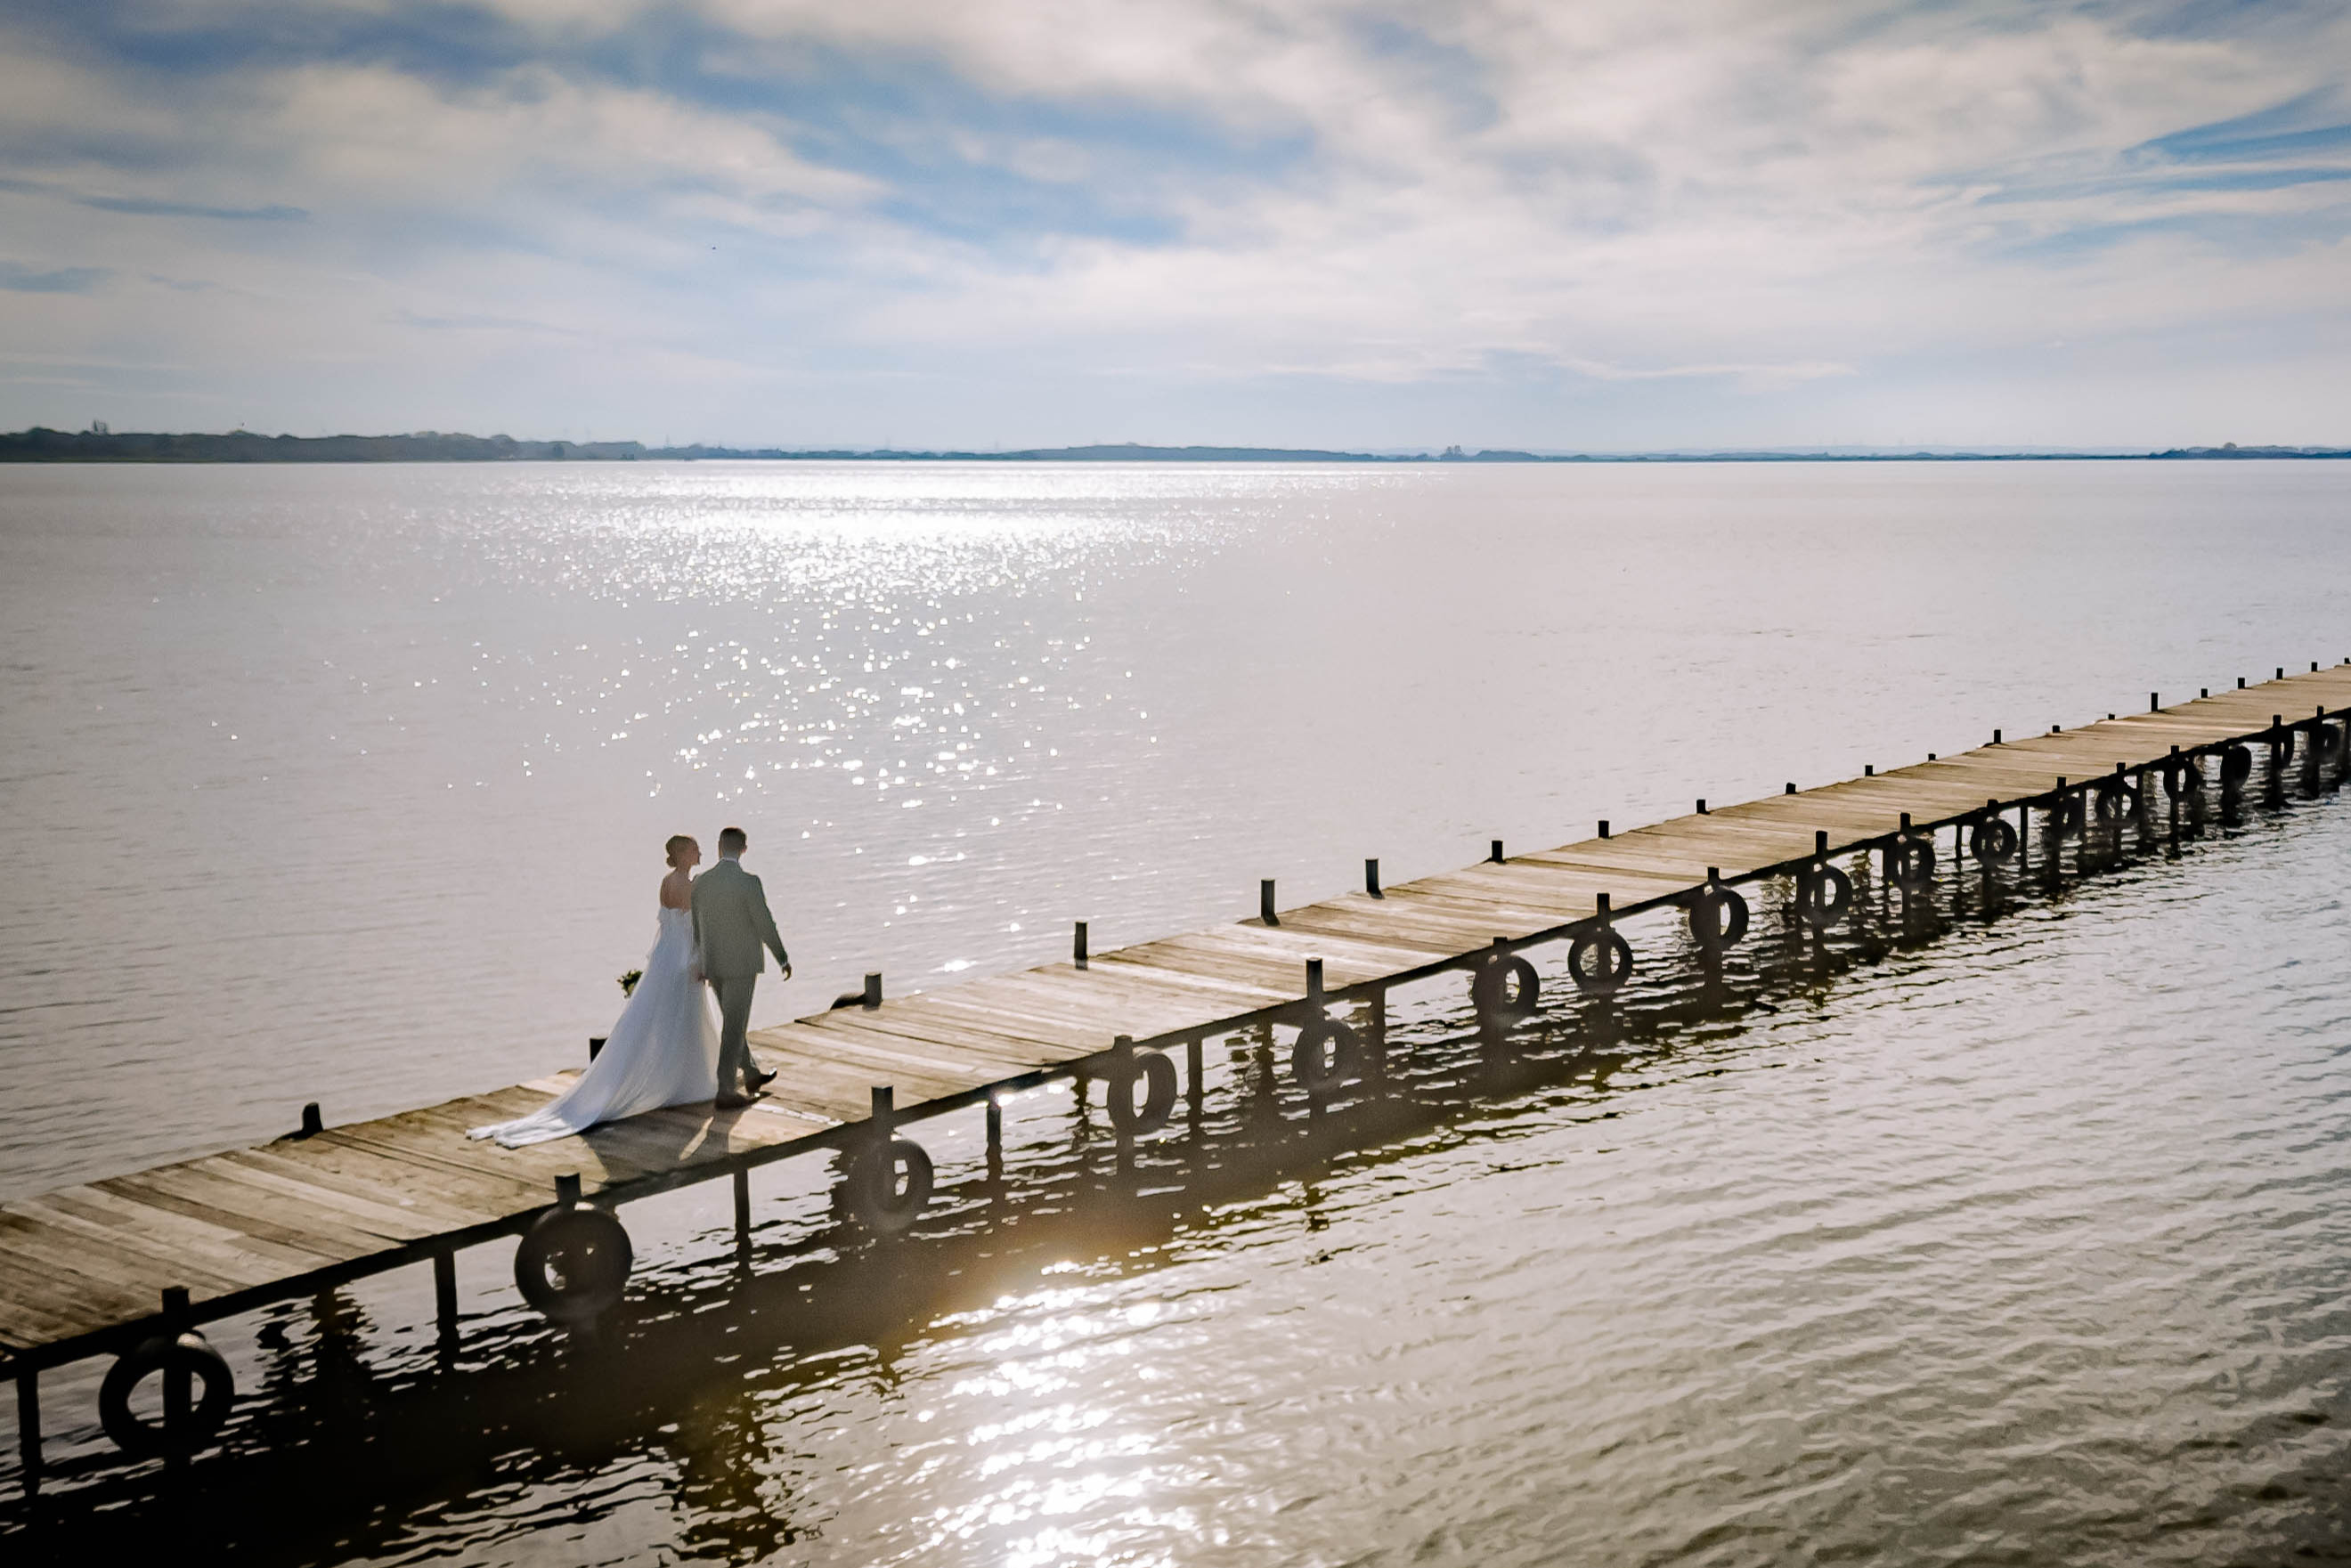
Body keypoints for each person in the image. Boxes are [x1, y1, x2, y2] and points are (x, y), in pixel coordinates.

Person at [468, 834, 721, 1147]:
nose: (700, 851)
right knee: (684, 1018)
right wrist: (700, 960)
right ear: (683, 853)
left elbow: (669, 926)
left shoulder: (667, 881)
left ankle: (676, 1077)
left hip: (666, 958)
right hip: (683, 959)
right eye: (694, 848)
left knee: (664, 1018)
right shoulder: (686, 885)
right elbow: (694, 927)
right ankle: (687, 1080)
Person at [690, 825, 791, 1108]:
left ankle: (750, 1073)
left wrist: (702, 960)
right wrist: (781, 956)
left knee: (733, 1022)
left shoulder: (701, 882)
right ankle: (725, 1090)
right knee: (734, 1027)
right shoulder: (749, 883)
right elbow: (764, 923)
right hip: (742, 964)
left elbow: (697, 927)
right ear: (744, 850)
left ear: (719, 846)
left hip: (714, 963)